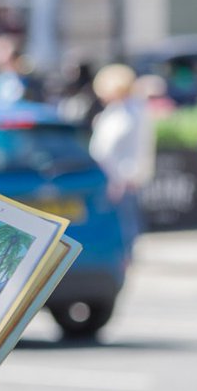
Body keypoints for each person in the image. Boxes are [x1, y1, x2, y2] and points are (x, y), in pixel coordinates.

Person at [87, 63, 155, 254]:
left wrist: (118, 178)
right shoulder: (132, 109)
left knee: (125, 226)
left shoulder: (125, 112)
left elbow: (106, 149)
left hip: (118, 178)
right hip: (123, 177)